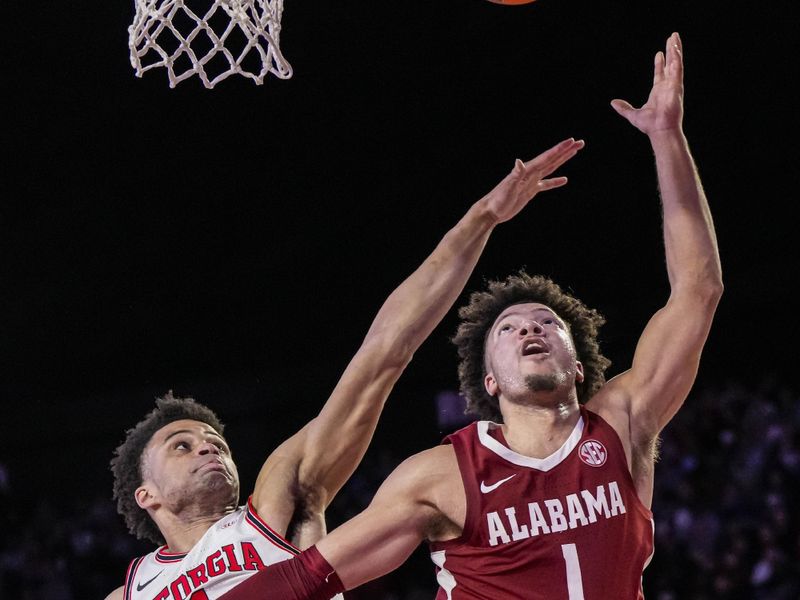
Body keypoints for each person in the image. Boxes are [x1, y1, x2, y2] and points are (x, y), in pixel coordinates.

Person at [218, 31, 723, 600]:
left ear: (578, 366)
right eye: (509, 329)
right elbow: (305, 577)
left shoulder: (623, 423)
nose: (531, 328)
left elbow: (698, 291)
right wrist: (483, 216)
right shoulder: (442, 476)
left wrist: (667, 137)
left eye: (546, 324)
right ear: (489, 380)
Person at [103, 136, 586, 599]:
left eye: (214, 442)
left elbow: (383, 353)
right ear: (146, 495)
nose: (207, 449)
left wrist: (480, 220)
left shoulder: (274, 502)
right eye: (182, 446)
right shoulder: (132, 591)